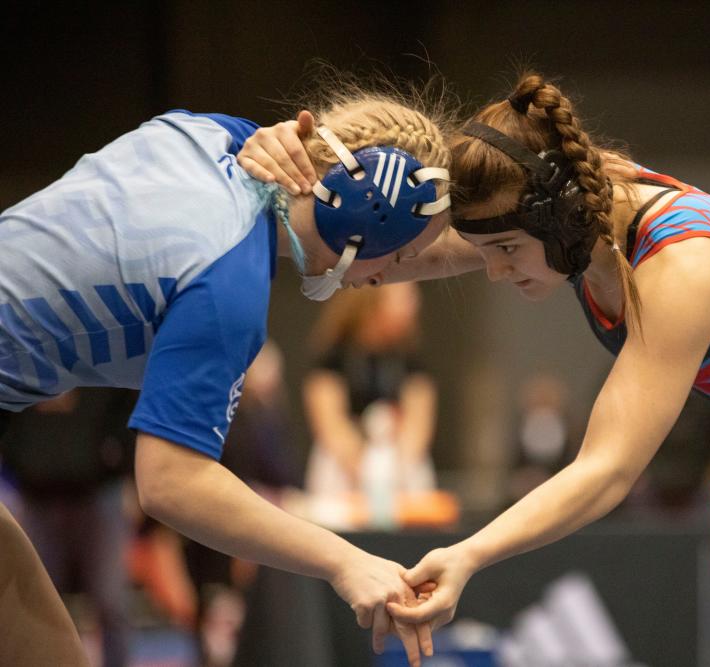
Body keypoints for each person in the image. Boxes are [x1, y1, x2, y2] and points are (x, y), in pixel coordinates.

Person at [242, 72, 710, 667]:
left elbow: (606, 469)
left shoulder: (683, 265)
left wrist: (469, 554)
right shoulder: (564, 208)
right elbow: (404, 249)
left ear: (559, 219)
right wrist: (290, 177)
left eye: (507, 252)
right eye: (488, 251)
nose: (492, 271)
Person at [0, 82, 454, 666]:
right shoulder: (227, 288)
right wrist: (346, 560)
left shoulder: (211, 133)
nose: (393, 277)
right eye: (396, 258)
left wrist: (507, 247)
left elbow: (382, 216)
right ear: (361, 221)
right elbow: (171, 484)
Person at [0, 388, 137, 667]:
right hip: (35, 494)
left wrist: (123, 467)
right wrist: (20, 463)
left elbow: (129, 406)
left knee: (111, 602)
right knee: (34, 603)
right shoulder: (22, 352)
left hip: (98, 491)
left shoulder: (102, 353)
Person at [303, 282, 438, 505]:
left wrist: (395, 472)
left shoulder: (411, 358)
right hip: (342, 468)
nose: (414, 306)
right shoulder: (333, 357)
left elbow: (419, 421)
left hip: (400, 466)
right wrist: (364, 471)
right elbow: (329, 422)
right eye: (404, 299)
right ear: (372, 302)